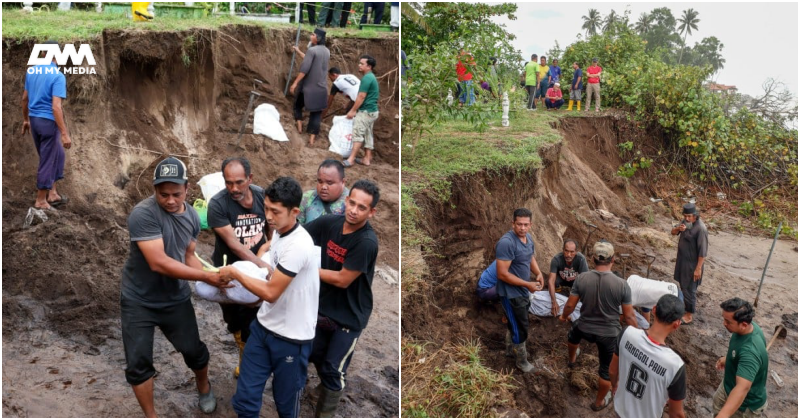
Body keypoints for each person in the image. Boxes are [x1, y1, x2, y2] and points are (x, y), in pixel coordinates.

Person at [120, 157, 232, 417]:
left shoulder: (192, 216)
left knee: (194, 351)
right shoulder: (143, 214)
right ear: (154, 190)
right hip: (139, 300)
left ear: (187, 188)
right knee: (138, 364)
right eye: (163, 194)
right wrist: (205, 279)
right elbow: (159, 262)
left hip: (175, 298)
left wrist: (216, 277)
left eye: (176, 194)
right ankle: (151, 416)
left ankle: (204, 386)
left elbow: (188, 255)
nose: (170, 200)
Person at [222, 177, 320, 418]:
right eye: (265, 208)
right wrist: (264, 252)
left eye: (275, 211)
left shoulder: (299, 245)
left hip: (291, 338)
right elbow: (272, 253)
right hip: (264, 328)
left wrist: (235, 272)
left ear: (295, 211)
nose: (268, 216)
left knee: (286, 406)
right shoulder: (279, 232)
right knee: (245, 398)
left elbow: (271, 293)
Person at [304, 180, 380, 417]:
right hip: (325, 306)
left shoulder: (366, 242)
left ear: (371, 212)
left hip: (349, 315)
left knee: (333, 369)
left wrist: (306, 270)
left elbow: (342, 279)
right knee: (314, 352)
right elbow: (300, 234)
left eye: (362, 207)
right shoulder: (330, 223)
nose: (354, 210)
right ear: (346, 201)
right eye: (352, 203)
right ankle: (322, 388)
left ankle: (325, 410)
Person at [207, 157, 269, 378]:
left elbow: (272, 231)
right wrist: (264, 265)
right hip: (227, 272)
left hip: (257, 272)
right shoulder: (217, 204)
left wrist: (268, 258)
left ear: (250, 179)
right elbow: (235, 245)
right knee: (234, 321)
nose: (234, 188)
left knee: (255, 319)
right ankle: (244, 349)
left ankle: (249, 361)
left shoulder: (263, 196)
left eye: (239, 182)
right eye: (228, 182)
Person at [560, 240, 638, 412]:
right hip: (609, 335)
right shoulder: (622, 284)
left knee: (573, 335)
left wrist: (564, 316)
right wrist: (638, 336)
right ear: (613, 260)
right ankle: (599, 402)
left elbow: (570, 306)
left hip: (585, 327)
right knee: (605, 369)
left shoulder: (582, 278)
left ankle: (572, 360)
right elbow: (629, 316)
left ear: (593, 259)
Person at [610, 294, 687, 418]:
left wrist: (615, 386)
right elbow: (676, 413)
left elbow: (613, 371)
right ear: (677, 324)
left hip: (620, 410)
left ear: (654, 309)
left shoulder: (627, 333)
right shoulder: (675, 365)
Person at [22, 39, 72, 210]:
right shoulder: (57, 76)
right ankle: (41, 200)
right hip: (48, 122)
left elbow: (24, 99)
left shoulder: (31, 71)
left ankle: (52, 193)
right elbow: (56, 107)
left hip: (35, 121)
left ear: (43, 53)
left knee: (58, 154)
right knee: (48, 160)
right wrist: (64, 133)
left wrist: (26, 119)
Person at [496, 208, 545, 373]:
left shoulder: (528, 239)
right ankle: (521, 361)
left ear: (530, 225)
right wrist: (527, 284)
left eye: (525, 225)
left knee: (516, 323)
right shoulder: (507, 243)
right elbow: (502, 274)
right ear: (513, 223)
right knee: (520, 327)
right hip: (511, 294)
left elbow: (530, 257)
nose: (522, 228)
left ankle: (511, 350)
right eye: (519, 224)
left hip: (522, 290)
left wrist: (537, 273)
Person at [713, 298, 769, 418]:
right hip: (728, 386)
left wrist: (722, 416)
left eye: (728, 322)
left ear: (743, 324)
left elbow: (742, 388)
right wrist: (728, 359)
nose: (724, 323)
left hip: (744, 405)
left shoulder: (750, 353)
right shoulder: (749, 327)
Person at [670, 203, 708, 325]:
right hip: (682, 261)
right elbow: (673, 232)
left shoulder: (700, 229)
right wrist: (678, 229)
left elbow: (703, 252)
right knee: (683, 285)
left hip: (692, 265)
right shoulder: (685, 222)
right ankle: (685, 308)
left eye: (689, 216)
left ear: (695, 215)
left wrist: (698, 269)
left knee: (690, 289)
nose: (687, 218)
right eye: (685, 216)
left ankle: (689, 315)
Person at [290, 28, 330, 146]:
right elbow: (311, 59)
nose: (311, 36)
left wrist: (295, 83)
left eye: (312, 34)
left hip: (308, 88)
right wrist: (298, 51)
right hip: (321, 89)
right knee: (316, 114)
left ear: (317, 38)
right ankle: (312, 139)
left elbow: (305, 68)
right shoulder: (326, 51)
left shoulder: (312, 50)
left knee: (297, 106)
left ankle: (299, 126)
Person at [343, 55, 380, 168]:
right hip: (372, 112)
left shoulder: (367, 78)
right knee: (368, 134)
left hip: (365, 111)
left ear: (369, 66)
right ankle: (367, 158)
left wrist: (353, 110)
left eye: (362, 64)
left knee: (358, 134)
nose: (359, 65)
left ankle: (351, 159)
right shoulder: (371, 77)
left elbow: (361, 96)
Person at [299, 159, 349, 224]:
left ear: (343, 182)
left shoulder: (352, 204)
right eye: (320, 182)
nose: (323, 187)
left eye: (329, 183)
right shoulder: (307, 197)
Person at [547, 239, 589, 316]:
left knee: (581, 284)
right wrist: (553, 301)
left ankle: (574, 294)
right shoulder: (556, 259)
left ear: (576, 252)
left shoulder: (581, 259)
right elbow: (551, 280)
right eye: (566, 251)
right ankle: (559, 293)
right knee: (554, 281)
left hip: (574, 282)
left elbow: (585, 280)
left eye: (572, 252)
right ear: (563, 250)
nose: (568, 254)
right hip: (561, 280)